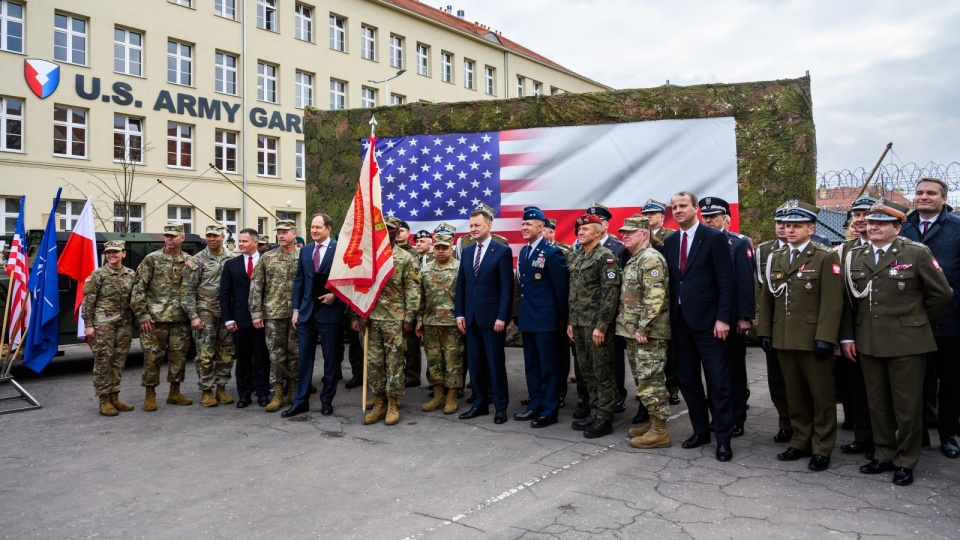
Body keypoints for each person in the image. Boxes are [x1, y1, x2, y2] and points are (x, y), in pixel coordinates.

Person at [841, 199, 953, 486]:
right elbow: (850, 302)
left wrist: (918, 322)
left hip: (907, 342)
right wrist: (850, 336)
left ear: (897, 227)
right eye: (871, 222)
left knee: (906, 405)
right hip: (869, 341)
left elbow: (941, 294)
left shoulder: (915, 253)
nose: (873, 227)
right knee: (877, 404)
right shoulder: (857, 254)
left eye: (881, 223)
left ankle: (905, 460)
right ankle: (883, 453)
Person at [758, 200, 843, 472]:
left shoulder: (825, 256)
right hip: (784, 337)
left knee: (821, 396)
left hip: (812, 338)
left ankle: (822, 447)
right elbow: (768, 297)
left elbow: (833, 302)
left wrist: (826, 337)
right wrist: (766, 333)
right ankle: (800, 440)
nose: (790, 230)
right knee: (794, 395)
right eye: (787, 225)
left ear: (811, 228)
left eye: (797, 225)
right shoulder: (777, 257)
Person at [661, 192, 737, 462]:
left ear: (696, 209)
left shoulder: (714, 238)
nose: (678, 210)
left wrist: (723, 318)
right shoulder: (670, 242)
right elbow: (673, 283)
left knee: (718, 381)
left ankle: (724, 439)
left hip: (710, 323)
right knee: (688, 381)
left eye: (683, 206)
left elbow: (727, 282)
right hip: (680, 323)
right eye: (674, 207)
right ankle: (700, 431)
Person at [899, 178, 960, 459]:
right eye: (920, 192)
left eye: (931, 193)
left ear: (943, 199)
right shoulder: (902, 228)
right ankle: (918, 434)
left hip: (949, 322)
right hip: (909, 322)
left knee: (949, 383)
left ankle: (948, 434)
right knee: (916, 382)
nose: (924, 197)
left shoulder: (956, 228)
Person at [357, 216, 421, 425]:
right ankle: (379, 401)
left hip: (395, 318)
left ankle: (393, 402)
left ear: (397, 232)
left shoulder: (404, 258)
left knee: (394, 362)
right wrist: (361, 312)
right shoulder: (368, 257)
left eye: (391, 229)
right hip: (372, 317)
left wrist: (409, 316)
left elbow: (412, 289)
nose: (386, 232)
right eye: (381, 229)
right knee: (375, 362)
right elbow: (360, 285)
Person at [699, 197, 755, 438]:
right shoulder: (698, 242)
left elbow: (745, 282)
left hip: (731, 319)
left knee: (732, 370)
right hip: (706, 318)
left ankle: (736, 417)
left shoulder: (739, 243)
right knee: (713, 371)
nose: (709, 220)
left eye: (715, 216)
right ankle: (720, 416)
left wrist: (745, 316)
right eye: (706, 216)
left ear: (726, 219)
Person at [455, 203, 514, 424]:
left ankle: (500, 406)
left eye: (477, 225)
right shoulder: (468, 251)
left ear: (489, 225)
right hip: (470, 319)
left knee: (495, 364)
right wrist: (459, 313)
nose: (473, 229)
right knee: (475, 363)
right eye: (471, 225)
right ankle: (479, 403)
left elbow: (507, 288)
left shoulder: (501, 251)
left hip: (492, 320)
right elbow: (461, 285)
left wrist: (502, 317)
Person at [617, 217, 672, 448]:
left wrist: (643, 327)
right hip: (633, 332)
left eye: (630, 232)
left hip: (647, 333)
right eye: (623, 232)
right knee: (642, 379)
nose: (624, 236)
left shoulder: (650, 259)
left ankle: (660, 432)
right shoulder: (635, 259)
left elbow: (655, 296)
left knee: (651, 380)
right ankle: (652, 423)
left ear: (644, 234)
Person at [514, 206, 569, 428]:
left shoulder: (552, 252)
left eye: (528, 224)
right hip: (529, 319)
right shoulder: (526, 252)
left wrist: (563, 319)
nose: (524, 227)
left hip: (547, 320)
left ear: (540, 227)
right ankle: (534, 405)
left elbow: (561, 289)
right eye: (523, 224)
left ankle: (549, 410)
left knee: (549, 367)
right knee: (532, 367)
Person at [566, 212, 620, 437]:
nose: (580, 232)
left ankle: (605, 418)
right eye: (579, 229)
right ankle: (595, 410)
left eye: (586, 229)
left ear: (598, 233)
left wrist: (602, 326)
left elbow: (610, 294)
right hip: (578, 324)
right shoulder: (578, 257)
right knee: (586, 371)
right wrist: (570, 321)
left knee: (602, 372)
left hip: (596, 326)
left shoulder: (605, 257)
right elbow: (574, 292)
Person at [286, 213, 344, 418]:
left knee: (330, 360)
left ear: (328, 228)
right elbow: (300, 281)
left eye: (318, 227)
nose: (314, 231)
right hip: (306, 314)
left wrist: (335, 296)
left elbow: (347, 280)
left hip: (329, 313)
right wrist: (296, 310)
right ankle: (300, 402)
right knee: (304, 360)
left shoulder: (340, 249)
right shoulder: (306, 251)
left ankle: (326, 401)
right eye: (312, 227)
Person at [131, 223, 194, 411]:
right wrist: (142, 316)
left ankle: (174, 392)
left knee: (179, 357)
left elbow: (193, 288)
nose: (169, 239)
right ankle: (150, 394)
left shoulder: (190, 261)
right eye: (166, 235)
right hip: (155, 320)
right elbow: (138, 289)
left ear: (182, 238)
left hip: (180, 319)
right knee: (152, 358)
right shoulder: (152, 259)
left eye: (173, 236)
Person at [835, 196, 877, 457]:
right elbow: (838, 298)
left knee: (886, 392)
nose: (860, 219)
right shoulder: (842, 252)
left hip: (890, 333)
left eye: (866, 214)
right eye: (857, 214)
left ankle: (887, 441)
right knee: (858, 389)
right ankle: (863, 437)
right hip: (854, 333)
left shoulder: (903, 248)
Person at [181, 224, 236, 408]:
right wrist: (193, 316)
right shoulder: (197, 260)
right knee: (205, 353)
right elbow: (187, 291)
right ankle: (206, 390)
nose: (211, 239)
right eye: (209, 236)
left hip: (227, 310)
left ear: (223, 237)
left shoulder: (231, 258)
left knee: (226, 352)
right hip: (205, 311)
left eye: (215, 236)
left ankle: (221, 387)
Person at [249, 220, 300, 413]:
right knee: (276, 355)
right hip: (273, 314)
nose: (280, 235)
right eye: (278, 232)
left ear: (294, 234)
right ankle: (278, 393)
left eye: (285, 232)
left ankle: (294, 391)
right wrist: (256, 313)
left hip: (296, 315)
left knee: (295, 355)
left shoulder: (303, 256)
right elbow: (256, 287)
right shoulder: (267, 258)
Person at [754, 203, 795, 444]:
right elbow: (763, 291)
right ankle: (785, 423)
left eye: (789, 224)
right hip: (776, 323)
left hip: (803, 327)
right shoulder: (764, 251)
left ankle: (806, 427)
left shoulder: (819, 248)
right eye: (779, 223)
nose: (783, 228)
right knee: (777, 381)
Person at [583, 202, 629, 414]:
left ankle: (618, 394)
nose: (592, 225)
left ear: (605, 224)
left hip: (611, 314)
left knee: (614, 357)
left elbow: (622, 284)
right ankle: (594, 400)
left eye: (597, 221)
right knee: (591, 361)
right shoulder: (580, 248)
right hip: (586, 315)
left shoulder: (618, 248)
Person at [82, 240, 136, 416]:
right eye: (108, 253)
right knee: (103, 361)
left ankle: (115, 396)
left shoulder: (130, 274)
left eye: (115, 252)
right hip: (103, 324)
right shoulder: (98, 274)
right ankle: (103, 399)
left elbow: (135, 299)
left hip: (123, 324)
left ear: (123, 254)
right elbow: (88, 301)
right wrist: (88, 324)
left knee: (118, 361)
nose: (111, 255)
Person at [220, 228, 271, 408]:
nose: (240, 244)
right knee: (242, 360)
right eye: (239, 241)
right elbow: (225, 294)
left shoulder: (267, 261)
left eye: (244, 241)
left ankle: (263, 393)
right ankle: (244, 395)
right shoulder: (231, 265)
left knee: (262, 358)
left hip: (262, 319)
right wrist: (228, 319)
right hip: (239, 320)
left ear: (255, 243)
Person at [416, 233, 463, 414]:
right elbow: (420, 297)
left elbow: (464, 296)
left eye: (445, 248)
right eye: (438, 248)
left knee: (453, 361)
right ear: (433, 249)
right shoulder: (425, 270)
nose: (441, 251)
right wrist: (419, 320)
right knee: (434, 361)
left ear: (451, 249)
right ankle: (438, 395)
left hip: (452, 323)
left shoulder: (459, 269)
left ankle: (451, 396)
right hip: (431, 323)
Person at [642, 198, 680, 405]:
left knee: (670, 349)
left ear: (662, 217)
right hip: (645, 300)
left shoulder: (672, 237)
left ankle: (672, 387)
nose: (648, 218)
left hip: (667, 298)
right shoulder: (639, 237)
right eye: (646, 214)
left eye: (652, 214)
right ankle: (649, 388)